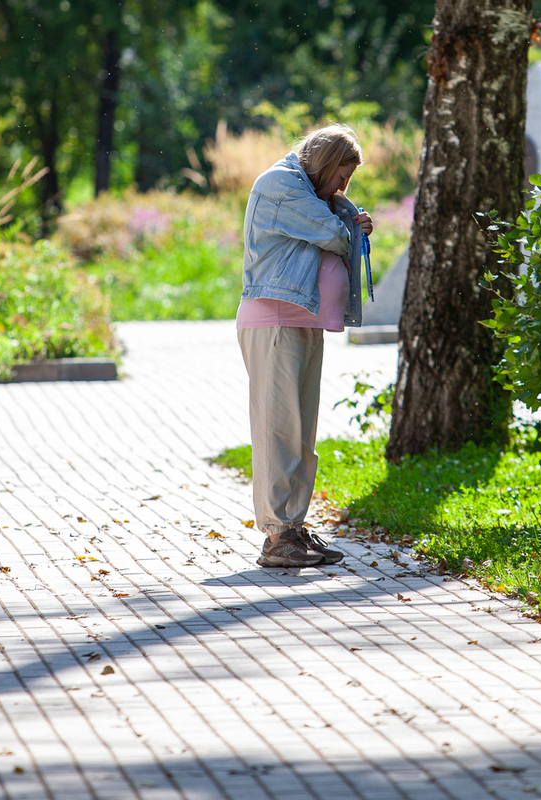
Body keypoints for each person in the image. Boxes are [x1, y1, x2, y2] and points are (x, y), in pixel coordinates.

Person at [236, 124, 374, 568]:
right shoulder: (280, 183)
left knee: (301, 435)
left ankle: (293, 528)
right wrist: (350, 223)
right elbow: (334, 235)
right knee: (278, 432)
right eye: (341, 177)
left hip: (302, 320)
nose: (343, 187)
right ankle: (277, 537)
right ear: (326, 163)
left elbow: (339, 229)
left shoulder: (310, 191)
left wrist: (349, 220)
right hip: (274, 320)